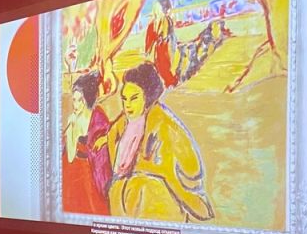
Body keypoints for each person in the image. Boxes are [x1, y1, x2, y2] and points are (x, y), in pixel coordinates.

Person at [104, 63, 213, 222]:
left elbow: (181, 180)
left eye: (134, 98)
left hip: (161, 207)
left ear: (147, 97)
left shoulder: (165, 127)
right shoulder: (122, 126)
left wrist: (152, 172)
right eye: (124, 98)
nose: (127, 105)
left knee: (143, 186)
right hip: (129, 209)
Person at [62, 72, 111, 214]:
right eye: (74, 100)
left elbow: (103, 156)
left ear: (87, 99)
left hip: (93, 173)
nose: (76, 105)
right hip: (73, 170)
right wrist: (72, 130)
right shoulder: (73, 119)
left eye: (80, 100)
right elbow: (70, 157)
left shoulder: (99, 118)